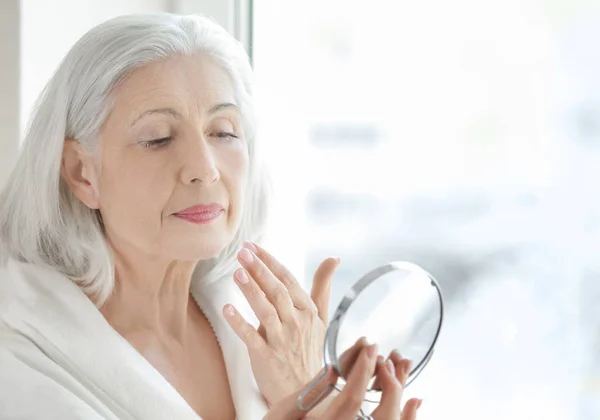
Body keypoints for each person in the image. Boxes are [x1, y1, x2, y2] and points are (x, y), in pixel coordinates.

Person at [0, 13, 422, 419]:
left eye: (223, 132)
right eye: (157, 139)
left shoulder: (269, 341)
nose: (205, 167)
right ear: (81, 172)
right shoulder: (21, 361)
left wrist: (318, 398)